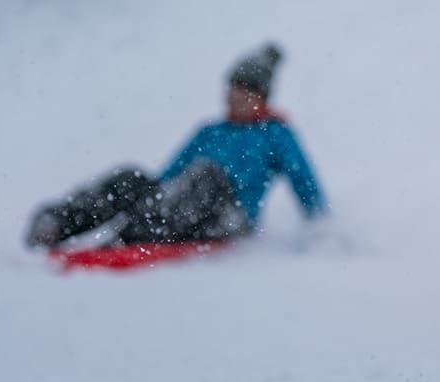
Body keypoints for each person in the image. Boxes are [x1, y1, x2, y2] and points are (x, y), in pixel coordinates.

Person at [25, 41, 327, 248]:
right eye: (230, 90)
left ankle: (135, 234)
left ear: (261, 97)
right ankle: (57, 223)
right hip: (180, 209)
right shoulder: (210, 131)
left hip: (229, 217)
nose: (232, 98)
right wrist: (142, 195)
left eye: (242, 92)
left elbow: (304, 182)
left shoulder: (276, 134)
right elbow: (170, 176)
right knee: (133, 177)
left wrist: (321, 229)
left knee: (207, 174)